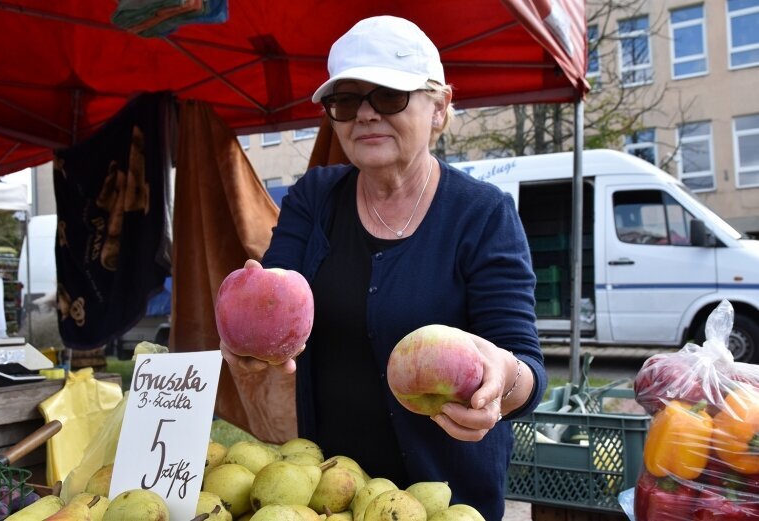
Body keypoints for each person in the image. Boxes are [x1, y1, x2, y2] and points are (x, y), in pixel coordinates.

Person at [220, 15, 547, 520]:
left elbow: (526, 367)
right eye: (346, 101)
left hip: (446, 500)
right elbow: (273, 302)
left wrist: (503, 380)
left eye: (390, 96)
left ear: (439, 108)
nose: (366, 115)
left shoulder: (482, 214)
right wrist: (249, 340)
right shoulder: (315, 198)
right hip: (330, 494)